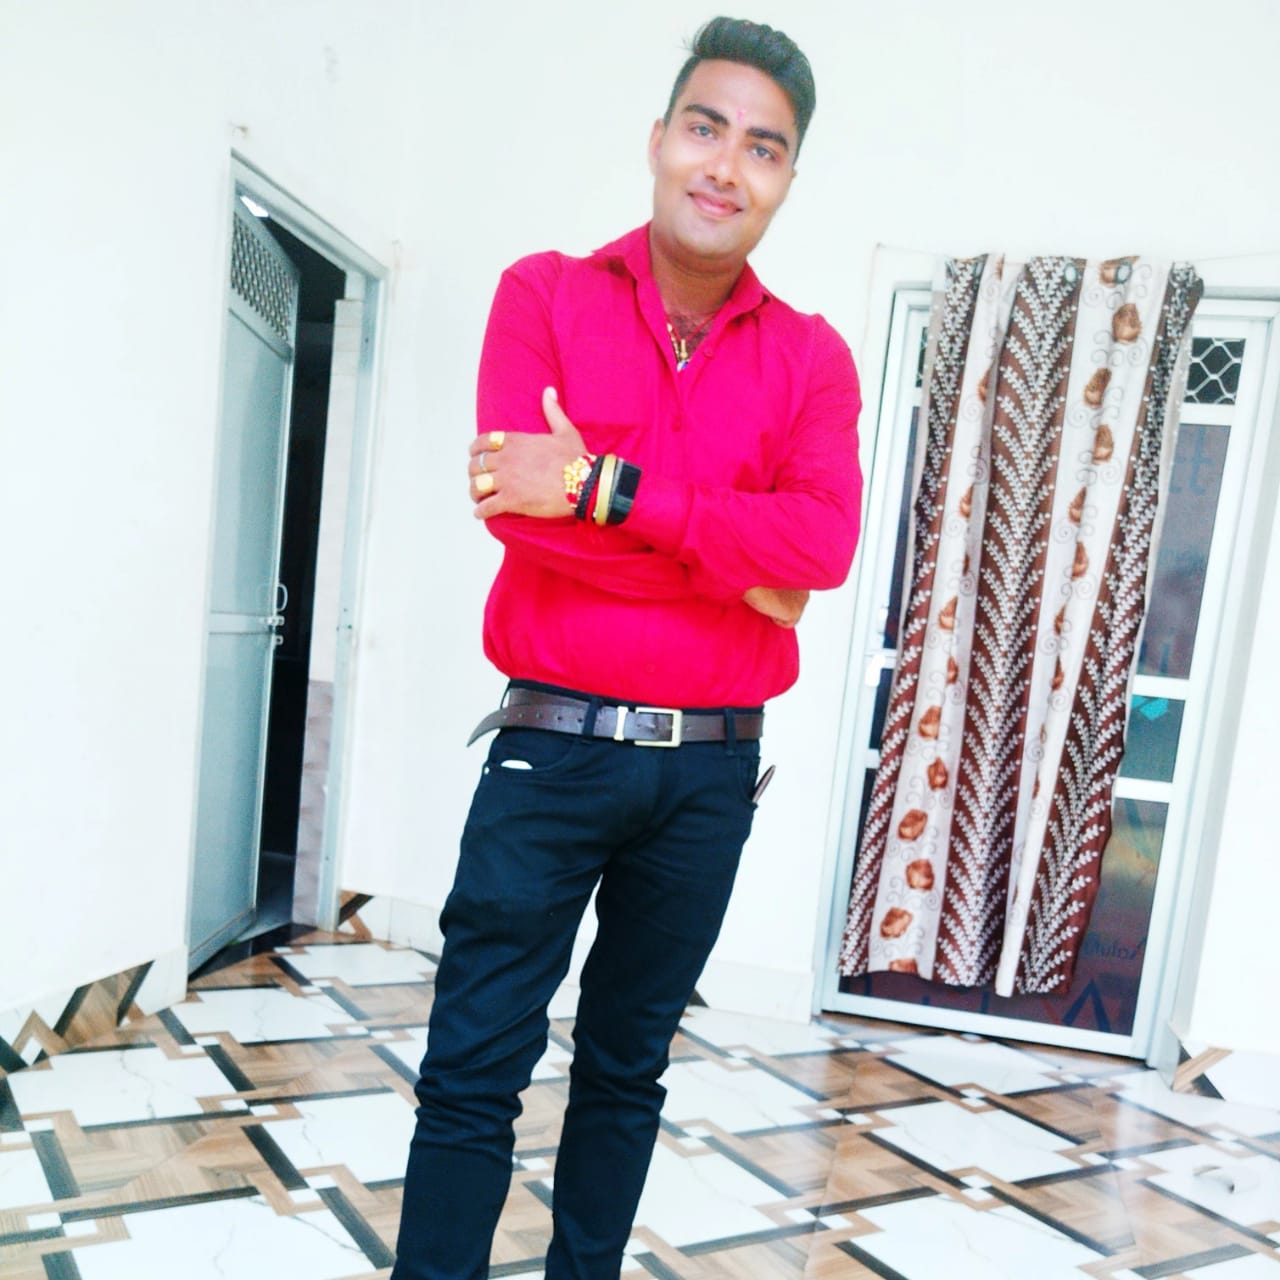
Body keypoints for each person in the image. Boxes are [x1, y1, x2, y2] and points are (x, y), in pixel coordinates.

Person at [392, 17, 862, 1279]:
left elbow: (819, 545)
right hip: (550, 750)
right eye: (705, 128)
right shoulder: (542, 293)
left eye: (761, 146)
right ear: (658, 140)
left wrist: (599, 486)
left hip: (708, 777)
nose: (725, 164)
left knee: (626, 1067)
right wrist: (737, 565)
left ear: (786, 178)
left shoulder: (811, 358)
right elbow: (515, 514)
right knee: (473, 1062)